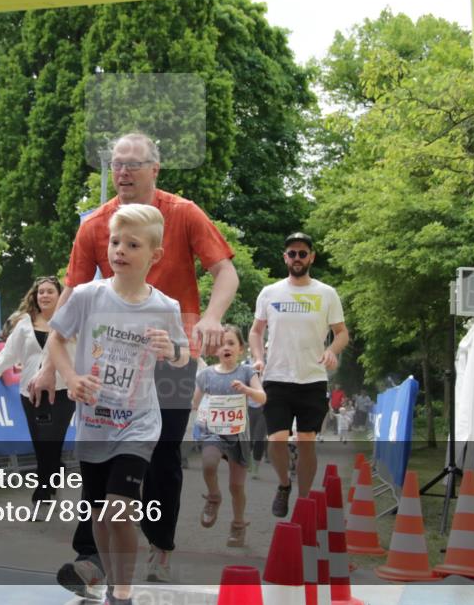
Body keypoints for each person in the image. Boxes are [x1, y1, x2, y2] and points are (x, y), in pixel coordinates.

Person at [32, 132, 237, 592]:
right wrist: (49, 364)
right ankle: (91, 557)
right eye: (116, 164)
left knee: (162, 453)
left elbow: (225, 270)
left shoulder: (183, 213)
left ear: (154, 170)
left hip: (170, 349)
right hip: (112, 354)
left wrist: (212, 316)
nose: (122, 172)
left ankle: (159, 546)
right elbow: (72, 292)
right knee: (100, 457)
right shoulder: (95, 226)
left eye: (132, 164)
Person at [47, 204, 190, 605]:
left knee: (118, 511)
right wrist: (71, 379)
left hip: (138, 422)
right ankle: (111, 586)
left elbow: (182, 353)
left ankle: (122, 594)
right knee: (97, 512)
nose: (119, 250)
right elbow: (57, 339)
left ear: (154, 255)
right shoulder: (89, 297)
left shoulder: (164, 307)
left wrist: (172, 348)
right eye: (114, 242)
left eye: (132, 244)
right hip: (93, 421)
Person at [250, 232, 349, 518]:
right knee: (276, 439)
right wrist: (258, 357)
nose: (297, 258)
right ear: (285, 258)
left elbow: (342, 333)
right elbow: (256, 331)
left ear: (311, 257)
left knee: (306, 441)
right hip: (277, 376)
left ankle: (304, 502)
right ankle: (284, 485)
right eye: (291, 253)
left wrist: (332, 350)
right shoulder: (270, 293)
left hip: (312, 379)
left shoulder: (326, 293)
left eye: (302, 253)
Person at [0, 276, 73, 502]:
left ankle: (42, 491)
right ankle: (54, 472)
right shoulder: (24, 324)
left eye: (49, 291)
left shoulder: (71, 322)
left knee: (52, 440)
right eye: (40, 292)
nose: (44, 295)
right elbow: (8, 354)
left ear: (60, 295)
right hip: (30, 393)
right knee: (40, 443)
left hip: (61, 391)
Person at [191, 325, 264, 547]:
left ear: (240, 349)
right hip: (213, 432)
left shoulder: (247, 372)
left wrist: (246, 390)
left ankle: (238, 524)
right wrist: (201, 411)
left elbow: (262, 397)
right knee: (208, 463)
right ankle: (214, 497)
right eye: (222, 344)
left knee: (236, 486)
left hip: (238, 436)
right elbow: (195, 403)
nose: (226, 347)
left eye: (231, 343)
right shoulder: (206, 375)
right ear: (215, 350)